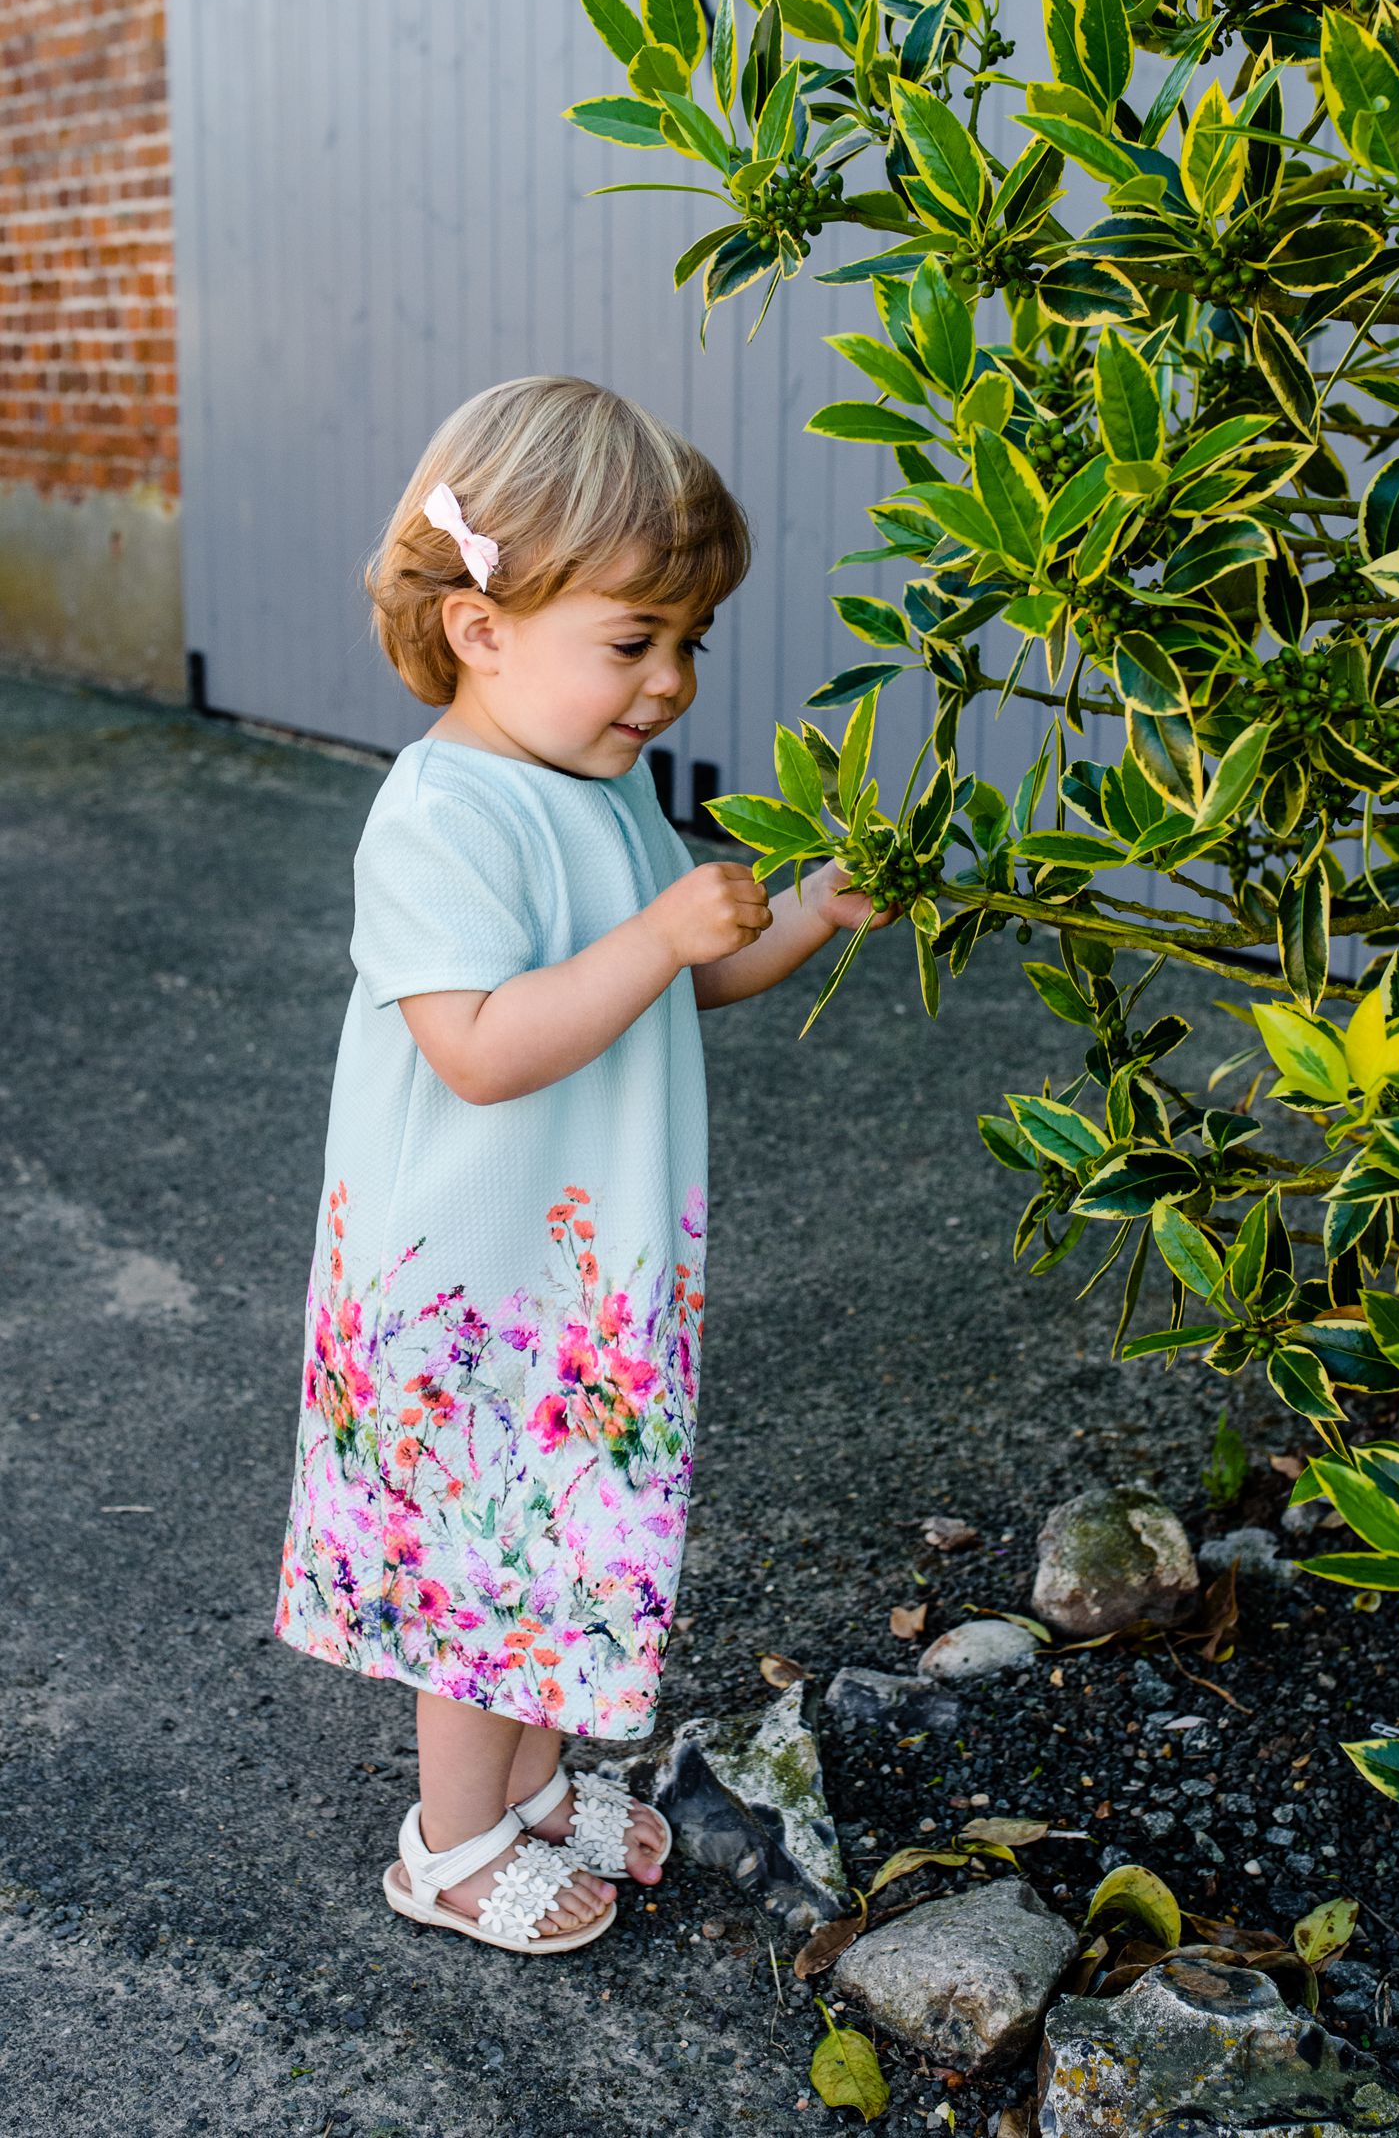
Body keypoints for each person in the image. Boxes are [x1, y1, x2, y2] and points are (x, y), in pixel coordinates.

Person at [273, 375, 896, 1953]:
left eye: (686, 642)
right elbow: (478, 1045)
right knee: (483, 1559)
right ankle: (452, 1837)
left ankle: (535, 1790)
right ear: (482, 627)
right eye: (634, 643)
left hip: (581, 1268)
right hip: (467, 1282)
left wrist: (804, 915)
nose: (671, 683)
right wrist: (653, 932)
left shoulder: (604, 787)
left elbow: (672, 985)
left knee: (565, 1539)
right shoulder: (443, 813)